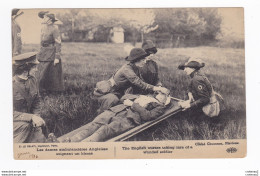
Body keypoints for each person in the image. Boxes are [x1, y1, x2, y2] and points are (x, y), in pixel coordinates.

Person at [62, 92, 171, 142]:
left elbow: (148, 116)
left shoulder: (160, 107)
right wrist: (137, 98)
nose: (160, 93)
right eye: (159, 92)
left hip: (129, 118)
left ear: (165, 100)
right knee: (95, 124)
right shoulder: (144, 96)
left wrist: (133, 105)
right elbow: (123, 97)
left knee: (106, 129)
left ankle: (84, 146)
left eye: (164, 94)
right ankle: (70, 140)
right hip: (116, 110)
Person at [95, 48, 169, 113]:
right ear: (137, 60)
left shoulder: (136, 68)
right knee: (112, 103)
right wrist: (158, 88)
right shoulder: (127, 69)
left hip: (121, 91)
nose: (145, 61)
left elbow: (141, 82)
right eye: (143, 60)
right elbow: (139, 83)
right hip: (110, 91)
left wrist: (155, 90)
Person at [13, 52, 47, 143]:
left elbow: (37, 101)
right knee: (25, 127)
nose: (36, 70)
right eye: (34, 67)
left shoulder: (33, 80)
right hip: (13, 123)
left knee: (42, 138)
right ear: (25, 69)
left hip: (31, 121)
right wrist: (30, 117)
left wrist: (36, 116)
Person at [36, 11, 64, 94]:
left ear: (50, 19)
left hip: (51, 54)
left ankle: (53, 91)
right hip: (43, 53)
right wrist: (39, 52)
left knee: (51, 74)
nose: (43, 19)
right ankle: (41, 90)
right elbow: (41, 42)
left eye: (45, 17)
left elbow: (58, 43)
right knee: (40, 73)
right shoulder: (43, 27)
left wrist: (57, 57)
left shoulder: (55, 29)